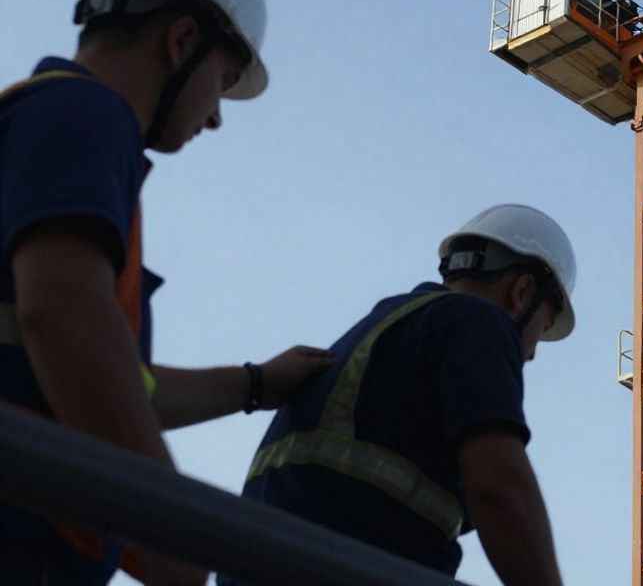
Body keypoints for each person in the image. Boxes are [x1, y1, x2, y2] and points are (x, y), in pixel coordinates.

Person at [0, 0, 335, 586]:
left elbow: (117, 386)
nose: (214, 116)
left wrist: (257, 384)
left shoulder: (49, 119)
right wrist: (166, 522)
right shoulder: (85, 111)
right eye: (225, 79)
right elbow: (62, 315)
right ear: (182, 40)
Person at [235, 204, 575, 586]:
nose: (530, 352)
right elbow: (499, 488)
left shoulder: (385, 326)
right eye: (542, 329)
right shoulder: (479, 323)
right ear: (522, 291)